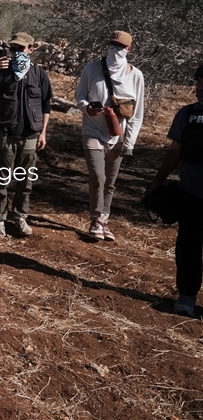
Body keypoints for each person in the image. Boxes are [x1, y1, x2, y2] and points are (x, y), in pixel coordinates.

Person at [74, 31, 145, 242]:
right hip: (93, 131)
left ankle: (105, 220)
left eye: (120, 46)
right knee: (98, 176)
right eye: (112, 45)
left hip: (118, 134)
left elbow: (138, 113)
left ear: (129, 50)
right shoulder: (91, 69)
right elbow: (80, 96)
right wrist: (87, 108)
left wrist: (130, 142)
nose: (115, 50)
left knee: (110, 181)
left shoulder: (136, 76)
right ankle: (96, 219)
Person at [0, 32, 52, 239]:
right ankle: (0, 220)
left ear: (31, 49)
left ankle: (20, 217)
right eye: (14, 49)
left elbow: (46, 104)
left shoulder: (39, 75)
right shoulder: (3, 72)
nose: (17, 53)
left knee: (25, 181)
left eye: (22, 49)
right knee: (2, 180)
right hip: (5, 133)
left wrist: (43, 133)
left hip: (30, 134)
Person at [146, 64, 203, 317]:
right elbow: (175, 152)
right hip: (191, 194)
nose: (199, 88)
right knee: (188, 247)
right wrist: (157, 182)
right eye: (198, 82)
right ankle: (187, 297)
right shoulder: (187, 114)